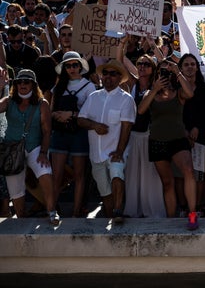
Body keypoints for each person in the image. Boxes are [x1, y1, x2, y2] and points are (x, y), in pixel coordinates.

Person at [137, 58, 200, 230]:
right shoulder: (150, 93)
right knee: (168, 183)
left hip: (178, 140)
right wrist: (155, 88)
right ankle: (171, 218)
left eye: (167, 72)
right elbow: (141, 110)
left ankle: (192, 213)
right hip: (158, 142)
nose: (165, 74)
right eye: (161, 72)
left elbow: (190, 94)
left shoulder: (178, 92)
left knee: (188, 170)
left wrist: (177, 72)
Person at [77, 60, 136, 224]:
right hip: (96, 153)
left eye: (113, 73)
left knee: (117, 174)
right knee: (104, 190)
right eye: (106, 73)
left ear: (119, 78)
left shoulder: (126, 99)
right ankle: (111, 217)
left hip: (116, 150)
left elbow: (126, 127)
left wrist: (120, 151)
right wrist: (94, 125)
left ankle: (118, 211)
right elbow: (80, 119)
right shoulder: (93, 97)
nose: (108, 76)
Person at [0, 69, 58, 223]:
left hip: (34, 147)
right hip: (12, 148)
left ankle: (52, 211)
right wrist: (0, 88)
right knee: (15, 188)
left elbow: (47, 131)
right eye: (19, 82)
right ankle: (21, 218)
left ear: (33, 85)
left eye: (26, 82)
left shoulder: (42, 104)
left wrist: (44, 153)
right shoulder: (8, 101)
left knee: (45, 172)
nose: (22, 84)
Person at [48, 52, 95, 218]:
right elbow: (50, 111)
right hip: (60, 132)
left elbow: (91, 113)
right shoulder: (58, 86)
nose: (72, 68)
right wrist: (59, 115)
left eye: (75, 65)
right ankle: (52, 210)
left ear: (80, 66)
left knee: (79, 175)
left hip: (79, 134)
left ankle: (76, 211)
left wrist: (71, 115)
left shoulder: (89, 87)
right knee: (57, 174)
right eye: (68, 65)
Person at [122, 54, 166, 219]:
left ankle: (152, 211)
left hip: (150, 135)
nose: (142, 67)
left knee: (151, 175)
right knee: (133, 174)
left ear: (153, 68)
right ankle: (133, 210)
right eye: (139, 63)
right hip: (134, 135)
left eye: (146, 64)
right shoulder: (132, 85)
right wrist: (123, 44)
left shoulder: (159, 87)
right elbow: (120, 62)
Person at [178, 53, 205, 216]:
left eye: (193, 64)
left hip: (200, 137)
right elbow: (173, 113)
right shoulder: (176, 89)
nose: (190, 67)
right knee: (181, 175)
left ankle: (198, 207)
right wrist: (184, 130)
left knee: (199, 174)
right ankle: (183, 207)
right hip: (179, 136)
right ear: (180, 68)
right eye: (186, 64)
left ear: (197, 67)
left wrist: (197, 128)